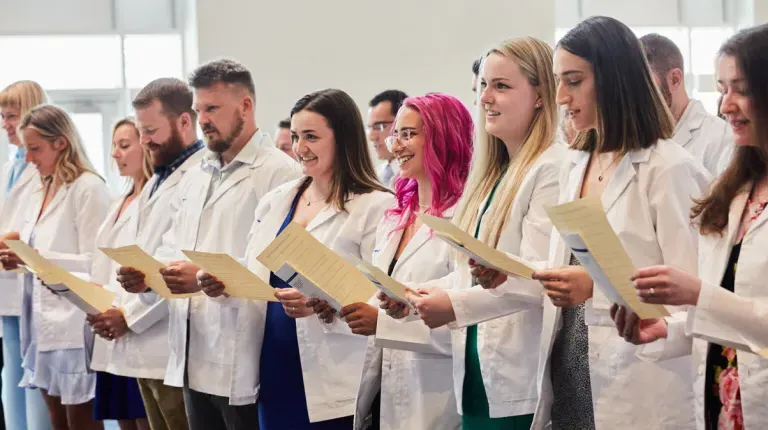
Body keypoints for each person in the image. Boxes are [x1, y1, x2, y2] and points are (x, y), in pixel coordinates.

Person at [528, 16, 710, 429]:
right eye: (558, 80)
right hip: (571, 368)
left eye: (573, 81)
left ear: (613, 80)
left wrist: (594, 288)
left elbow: (693, 298)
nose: (559, 96)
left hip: (639, 380)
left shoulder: (669, 169)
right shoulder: (576, 162)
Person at [385, 37, 565, 429]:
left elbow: (540, 275)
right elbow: (473, 270)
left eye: (501, 86)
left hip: (516, 371)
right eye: (483, 85)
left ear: (539, 95)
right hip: (475, 369)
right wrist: (419, 296)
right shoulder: (495, 174)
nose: (486, 97)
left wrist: (455, 304)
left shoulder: (550, 169)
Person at [121, 59, 300, 430]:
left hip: (243, 355)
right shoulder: (197, 173)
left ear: (246, 106)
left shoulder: (279, 172)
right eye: (199, 109)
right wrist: (149, 277)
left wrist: (203, 275)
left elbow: (278, 268)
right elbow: (175, 245)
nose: (203, 119)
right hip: (192, 353)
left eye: (213, 108)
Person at [198, 88, 392, 430]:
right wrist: (226, 282)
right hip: (273, 361)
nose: (300, 148)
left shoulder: (375, 206)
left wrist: (323, 301)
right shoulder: (280, 199)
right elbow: (259, 269)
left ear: (343, 139)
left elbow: (383, 293)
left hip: (335, 368)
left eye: (312, 137)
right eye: (298, 137)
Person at [613, 23, 768, 429]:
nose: (725, 105)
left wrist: (697, 294)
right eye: (721, 88)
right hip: (724, 403)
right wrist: (667, 328)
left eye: (741, 89)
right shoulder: (737, 190)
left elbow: (724, 304)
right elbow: (728, 309)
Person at [349, 93, 473, 430]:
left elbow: (470, 320)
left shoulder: (467, 218)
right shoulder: (396, 215)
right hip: (386, 390)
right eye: (396, 135)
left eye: (409, 134)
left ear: (442, 137)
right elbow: (384, 293)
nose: (396, 146)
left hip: (437, 398)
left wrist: (383, 323)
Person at [0, 104, 110, 429]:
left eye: (35, 149)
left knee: (81, 422)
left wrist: (35, 258)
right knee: (56, 422)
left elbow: (97, 263)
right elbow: (33, 248)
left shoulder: (89, 188)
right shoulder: (40, 188)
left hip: (74, 324)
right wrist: (16, 255)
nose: (29, 158)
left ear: (61, 143)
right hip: (41, 322)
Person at [113, 77, 205, 430]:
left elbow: (179, 264)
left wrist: (130, 315)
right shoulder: (157, 178)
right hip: (146, 341)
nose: (144, 140)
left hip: (172, 339)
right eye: (141, 131)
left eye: (150, 130)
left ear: (184, 122)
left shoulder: (196, 175)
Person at [87, 118, 151, 430]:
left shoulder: (154, 200)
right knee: (124, 419)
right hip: (110, 325)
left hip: (137, 326)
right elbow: (103, 262)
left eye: (124, 145)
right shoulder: (120, 200)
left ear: (147, 146)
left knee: (144, 419)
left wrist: (125, 313)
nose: (115, 154)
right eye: (114, 146)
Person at [0, 80, 49, 430]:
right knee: (12, 383)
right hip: (7, 288)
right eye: (2, 117)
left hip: (31, 284)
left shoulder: (42, 169)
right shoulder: (11, 166)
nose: (4, 125)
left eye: (11, 116)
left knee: (35, 386)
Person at [640, 33, 733, 175]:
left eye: (646, 86)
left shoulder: (721, 138)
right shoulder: (640, 138)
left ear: (675, 79)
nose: (638, 98)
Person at [368, 90, 408, 187]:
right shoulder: (374, 175)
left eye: (378, 127)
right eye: (369, 128)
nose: (372, 137)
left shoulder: (419, 175)